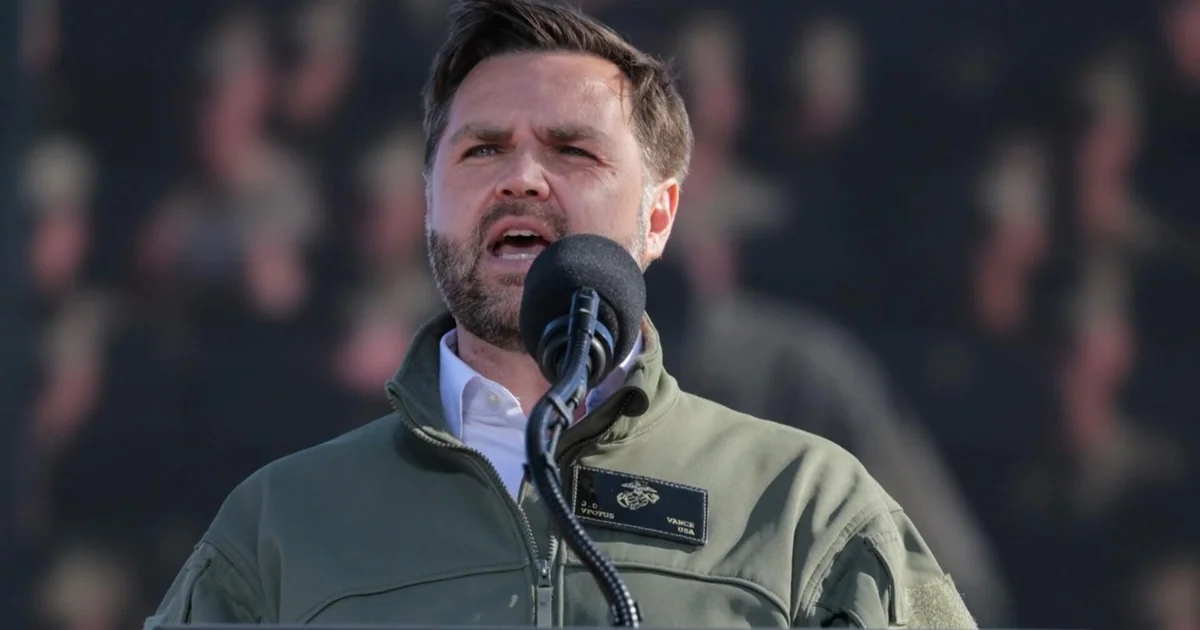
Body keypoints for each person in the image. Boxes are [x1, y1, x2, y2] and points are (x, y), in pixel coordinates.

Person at [144, 0, 977, 627]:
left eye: (572, 149)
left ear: (660, 215)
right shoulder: (276, 527)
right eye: (482, 149)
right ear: (429, 201)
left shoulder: (806, 508)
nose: (521, 177)